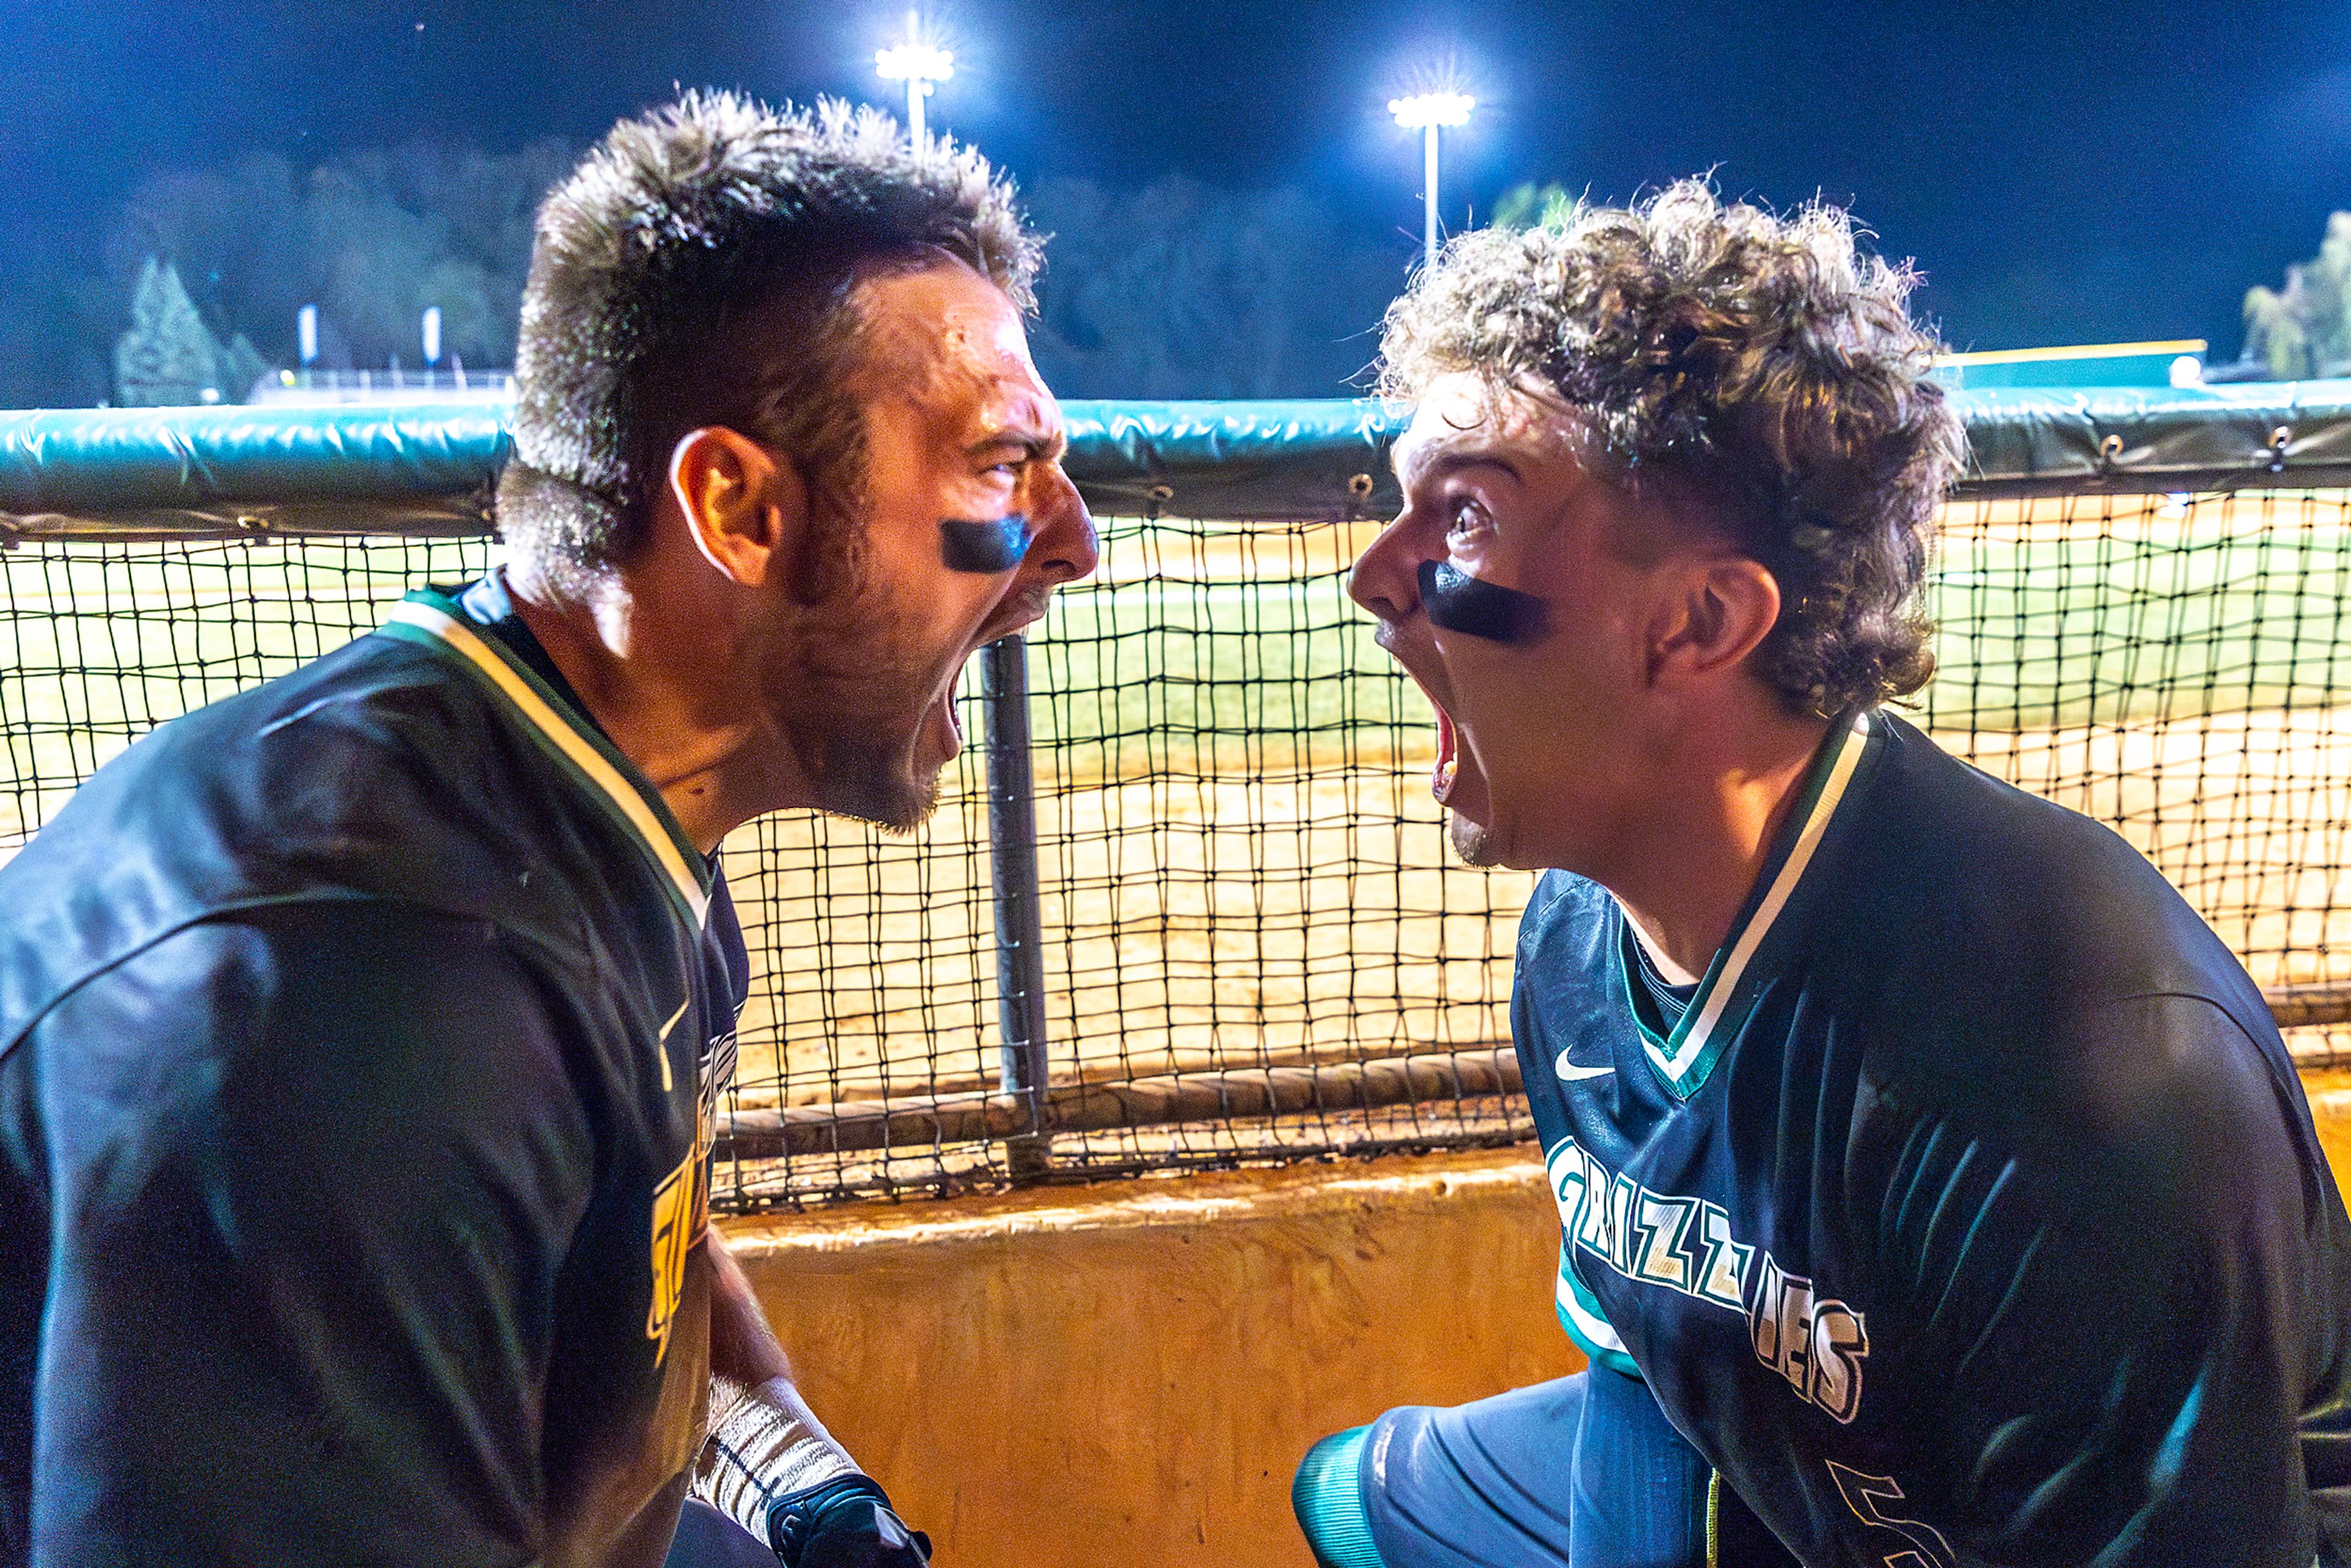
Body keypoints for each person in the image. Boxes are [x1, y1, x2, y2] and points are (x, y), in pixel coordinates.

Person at [0, 92, 1094, 1568]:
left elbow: (633, 1251)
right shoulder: (359, 1011)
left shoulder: (603, 792)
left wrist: (808, 1490)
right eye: (998, 467)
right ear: (740, 509)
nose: (1072, 545)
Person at [1295, 181, 2351, 1567]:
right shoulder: (1579, 931)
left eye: (1467, 524)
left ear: (1701, 622)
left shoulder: (2077, 1075)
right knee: (1357, 1503)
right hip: (1813, 1477)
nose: (1377, 580)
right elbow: (1648, 1388)